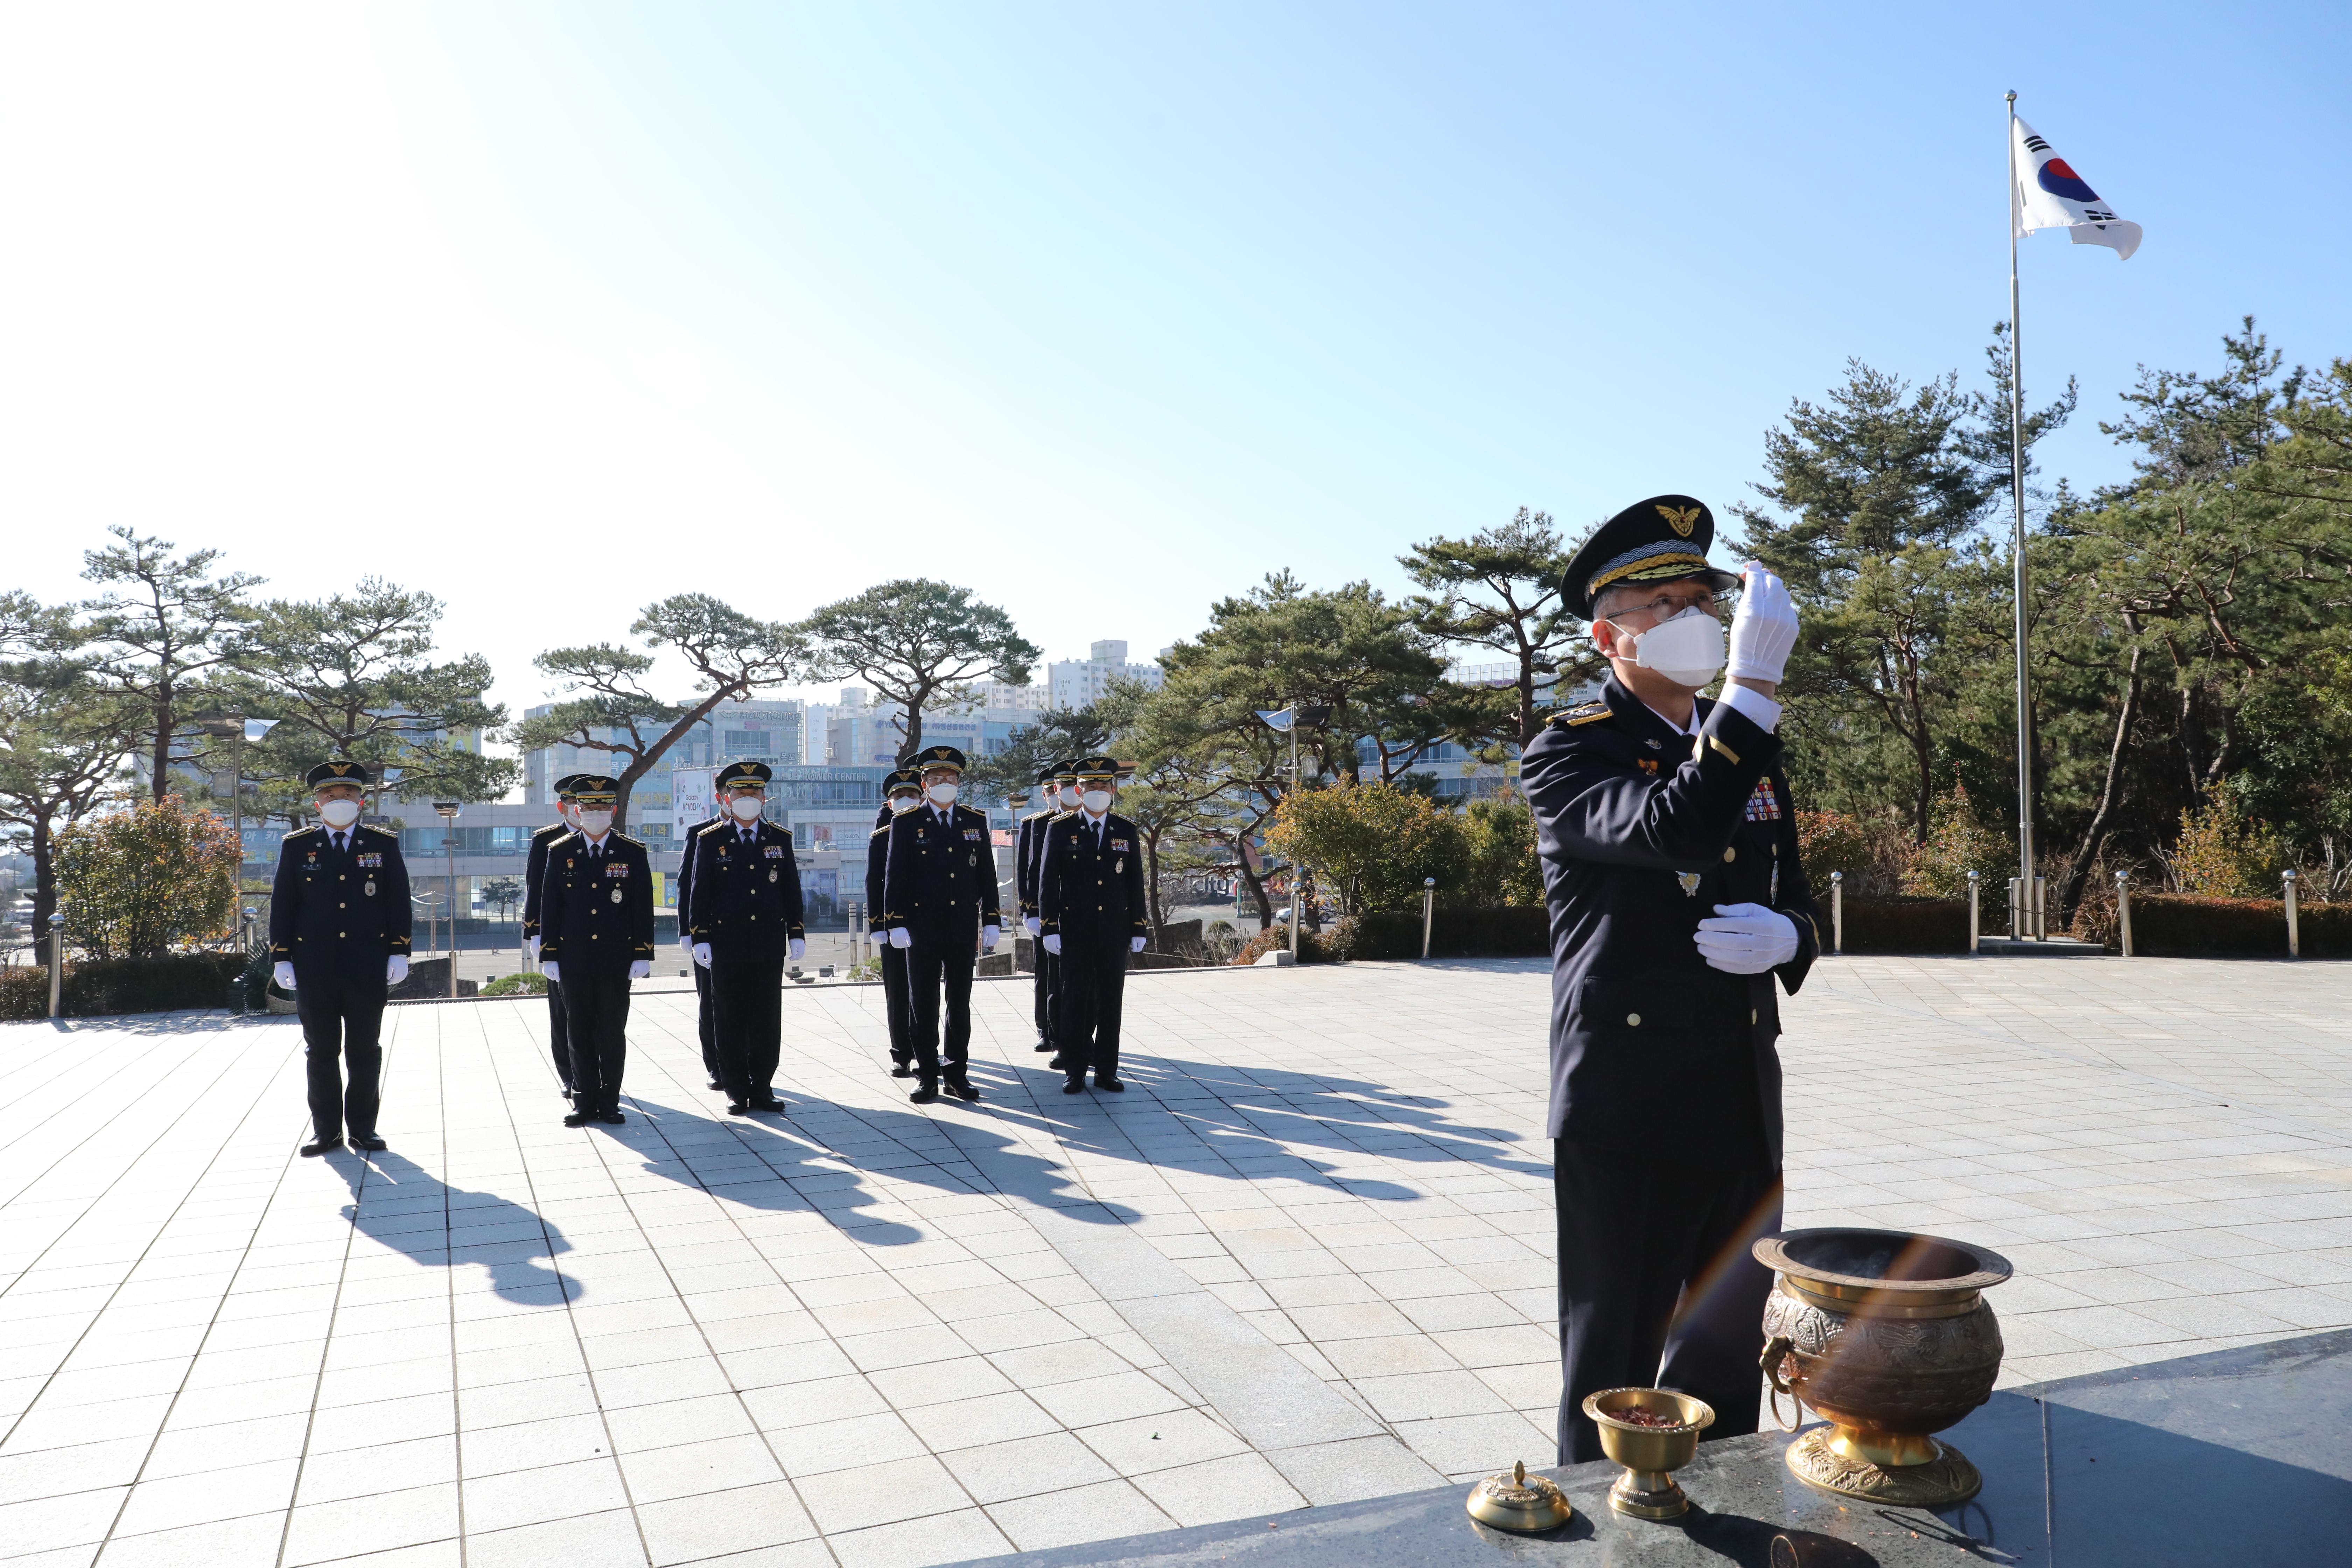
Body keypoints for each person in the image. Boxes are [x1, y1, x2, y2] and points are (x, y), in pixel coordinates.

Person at [1518, 492, 1816, 1465]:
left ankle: (1728, 1507)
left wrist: (1789, 936)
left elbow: (1798, 899)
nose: (1697, 619)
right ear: (1609, 636)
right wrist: (1752, 693)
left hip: (1740, 1090)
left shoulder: (1748, 748)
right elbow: (1672, 829)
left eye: (1703, 599)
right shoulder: (1571, 746)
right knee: (1616, 1355)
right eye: (1666, 605)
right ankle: (1608, 1520)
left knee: (1730, 1348)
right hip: (1630, 1102)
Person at [270, 761, 412, 1156]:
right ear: (317, 804)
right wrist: (281, 957)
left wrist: (400, 950)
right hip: (314, 966)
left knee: (365, 1049)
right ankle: (327, 1131)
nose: (339, 801)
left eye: (347, 794)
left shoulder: (382, 844)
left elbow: (398, 901)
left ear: (361, 800)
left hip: (367, 964)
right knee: (320, 1050)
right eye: (330, 795)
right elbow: (283, 905)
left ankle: (364, 1128)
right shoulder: (297, 846)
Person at [878, 745, 1001, 1104]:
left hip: (962, 927)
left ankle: (957, 1073)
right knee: (923, 1004)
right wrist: (895, 922)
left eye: (950, 777)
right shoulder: (906, 821)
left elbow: (987, 875)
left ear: (959, 782)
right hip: (921, 928)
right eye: (936, 777)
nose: (944, 782)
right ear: (925, 783)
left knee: (959, 1003)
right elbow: (894, 877)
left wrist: (992, 918)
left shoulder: (974, 820)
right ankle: (927, 1075)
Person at [537, 776, 655, 1127]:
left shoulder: (632, 851)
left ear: (613, 811)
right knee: (578, 1031)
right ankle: (583, 1100)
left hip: (615, 958)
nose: (595, 813)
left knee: (612, 1032)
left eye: (603, 806)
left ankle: (610, 1101)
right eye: (588, 807)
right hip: (573, 958)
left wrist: (643, 952)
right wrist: (549, 954)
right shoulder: (559, 851)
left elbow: (642, 906)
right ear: (577, 810)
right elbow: (550, 906)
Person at [687, 762, 805, 1115]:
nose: (748, 797)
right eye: (740, 792)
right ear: (727, 798)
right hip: (726, 944)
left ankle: (763, 1087)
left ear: (765, 798)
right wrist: (699, 936)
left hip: (768, 944)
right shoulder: (710, 839)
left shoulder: (780, 838)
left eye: (755, 791)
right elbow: (699, 891)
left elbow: (791, 889)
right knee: (729, 1018)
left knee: (766, 1018)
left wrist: (796, 932)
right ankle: (736, 1089)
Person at [1038, 756, 1148, 1094]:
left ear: (1113, 789)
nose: (1097, 790)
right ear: (1078, 790)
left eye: (1103, 785)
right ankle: (1075, 1069)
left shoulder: (1125, 829)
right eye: (1090, 785)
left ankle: (1106, 1070)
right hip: (1075, 930)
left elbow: (1135, 882)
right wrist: (1049, 926)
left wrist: (1138, 926)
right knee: (1075, 1001)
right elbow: (1047, 881)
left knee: (1111, 1002)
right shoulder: (1060, 828)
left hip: (1114, 931)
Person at [523, 775, 585, 1102]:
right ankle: (568, 1074)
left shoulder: (606, 837)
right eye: (573, 802)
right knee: (562, 1011)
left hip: (597, 940)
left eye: (582, 802)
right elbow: (535, 889)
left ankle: (595, 1073)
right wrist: (534, 933)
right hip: (557, 940)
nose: (579, 808)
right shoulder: (546, 840)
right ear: (563, 806)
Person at [671, 790, 729, 1091]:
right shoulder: (700, 833)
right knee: (710, 1002)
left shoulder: (765, 833)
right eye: (735, 792)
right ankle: (716, 1066)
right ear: (721, 797)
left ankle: (744, 1064)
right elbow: (687, 884)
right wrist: (687, 930)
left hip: (746, 935)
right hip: (709, 934)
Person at [868, 768, 923, 1081]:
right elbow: (874, 882)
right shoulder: (882, 837)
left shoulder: (933, 830)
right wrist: (877, 924)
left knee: (925, 992)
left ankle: (924, 1049)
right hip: (892, 926)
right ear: (890, 804)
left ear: (922, 798)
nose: (906, 800)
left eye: (912, 795)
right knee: (898, 991)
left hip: (925, 925)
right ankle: (901, 1054)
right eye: (899, 796)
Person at [1013, 763, 1064, 1061]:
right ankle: (1045, 1029)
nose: (1054, 795)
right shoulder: (1035, 824)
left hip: (1070, 909)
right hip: (1042, 911)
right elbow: (1026, 871)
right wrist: (1028, 910)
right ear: (1045, 795)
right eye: (1049, 791)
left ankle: (1070, 1031)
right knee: (1044, 970)